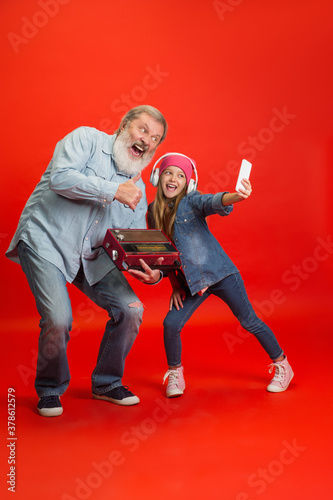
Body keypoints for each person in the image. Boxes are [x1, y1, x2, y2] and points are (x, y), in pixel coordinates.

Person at [6, 105, 167, 416]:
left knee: (132, 309)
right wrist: (112, 190)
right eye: (143, 130)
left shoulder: (138, 190)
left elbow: (129, 245)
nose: (147, 140)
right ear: (124, 127)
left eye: (155, 138)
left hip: (90, 256)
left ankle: (106, 383)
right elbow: (60, 179)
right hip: (46, 240)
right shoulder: (86, 140)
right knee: (58, 319)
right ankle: (50, 389)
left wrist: (151, 272)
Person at [144, 153, 294, 398]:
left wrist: (238, 195)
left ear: (188, 183)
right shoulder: (152, 212)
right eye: (169, 172)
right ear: (158, 177)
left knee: (249, 321)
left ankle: (283, 365)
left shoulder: (192, 200)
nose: (174, 179)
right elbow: (166, 253)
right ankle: (175, 373)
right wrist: (174, 285)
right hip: (193, 283)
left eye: (181, 175)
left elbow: (213, 201)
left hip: (221, 273)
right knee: (171, 324)